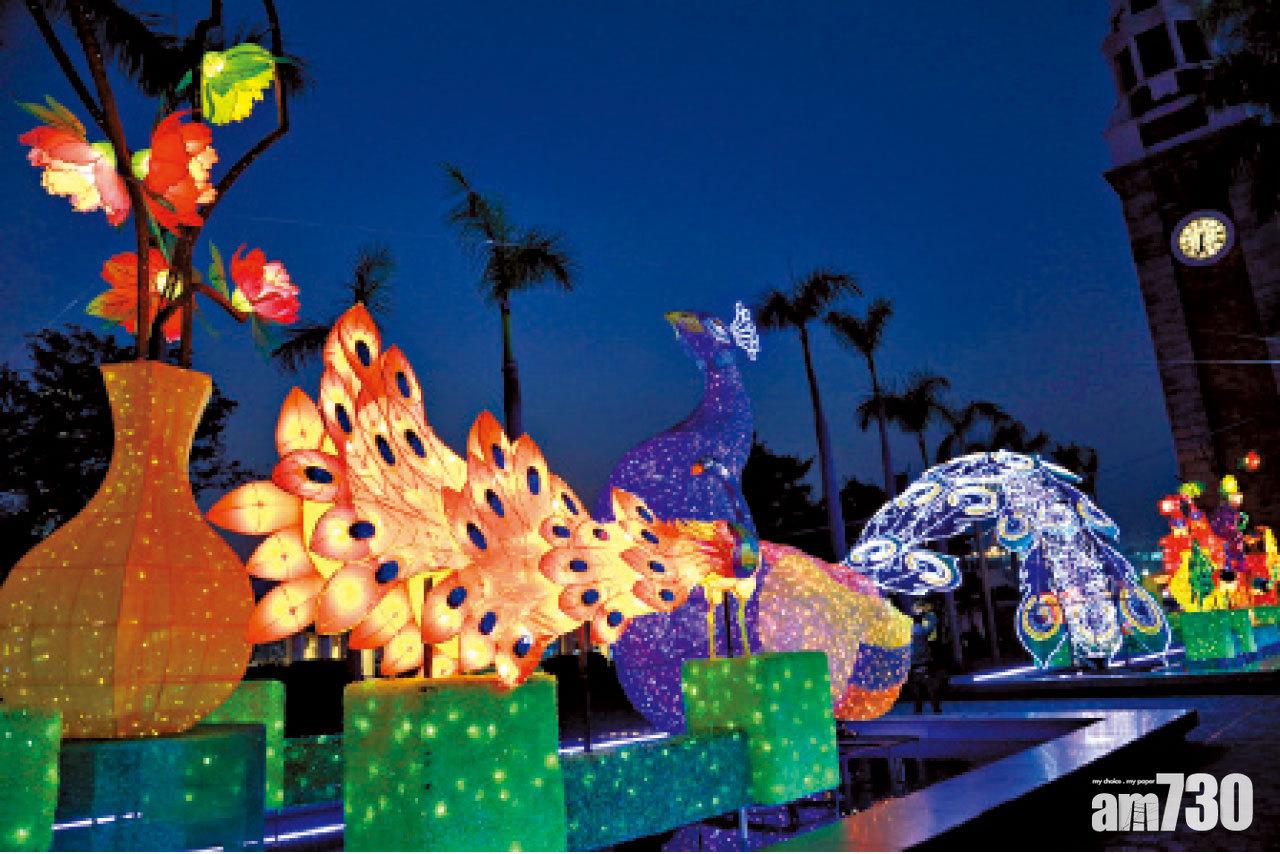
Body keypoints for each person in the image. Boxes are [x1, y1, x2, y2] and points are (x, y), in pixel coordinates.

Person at [905, 601, 943, 714]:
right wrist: (925, 613)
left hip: (912, 663)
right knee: (930, 686)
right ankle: (936, 708)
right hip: (924, 661)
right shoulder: (922, 631)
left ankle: (918, 709)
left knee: (916, 687)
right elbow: (934, 622)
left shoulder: (907, 632)